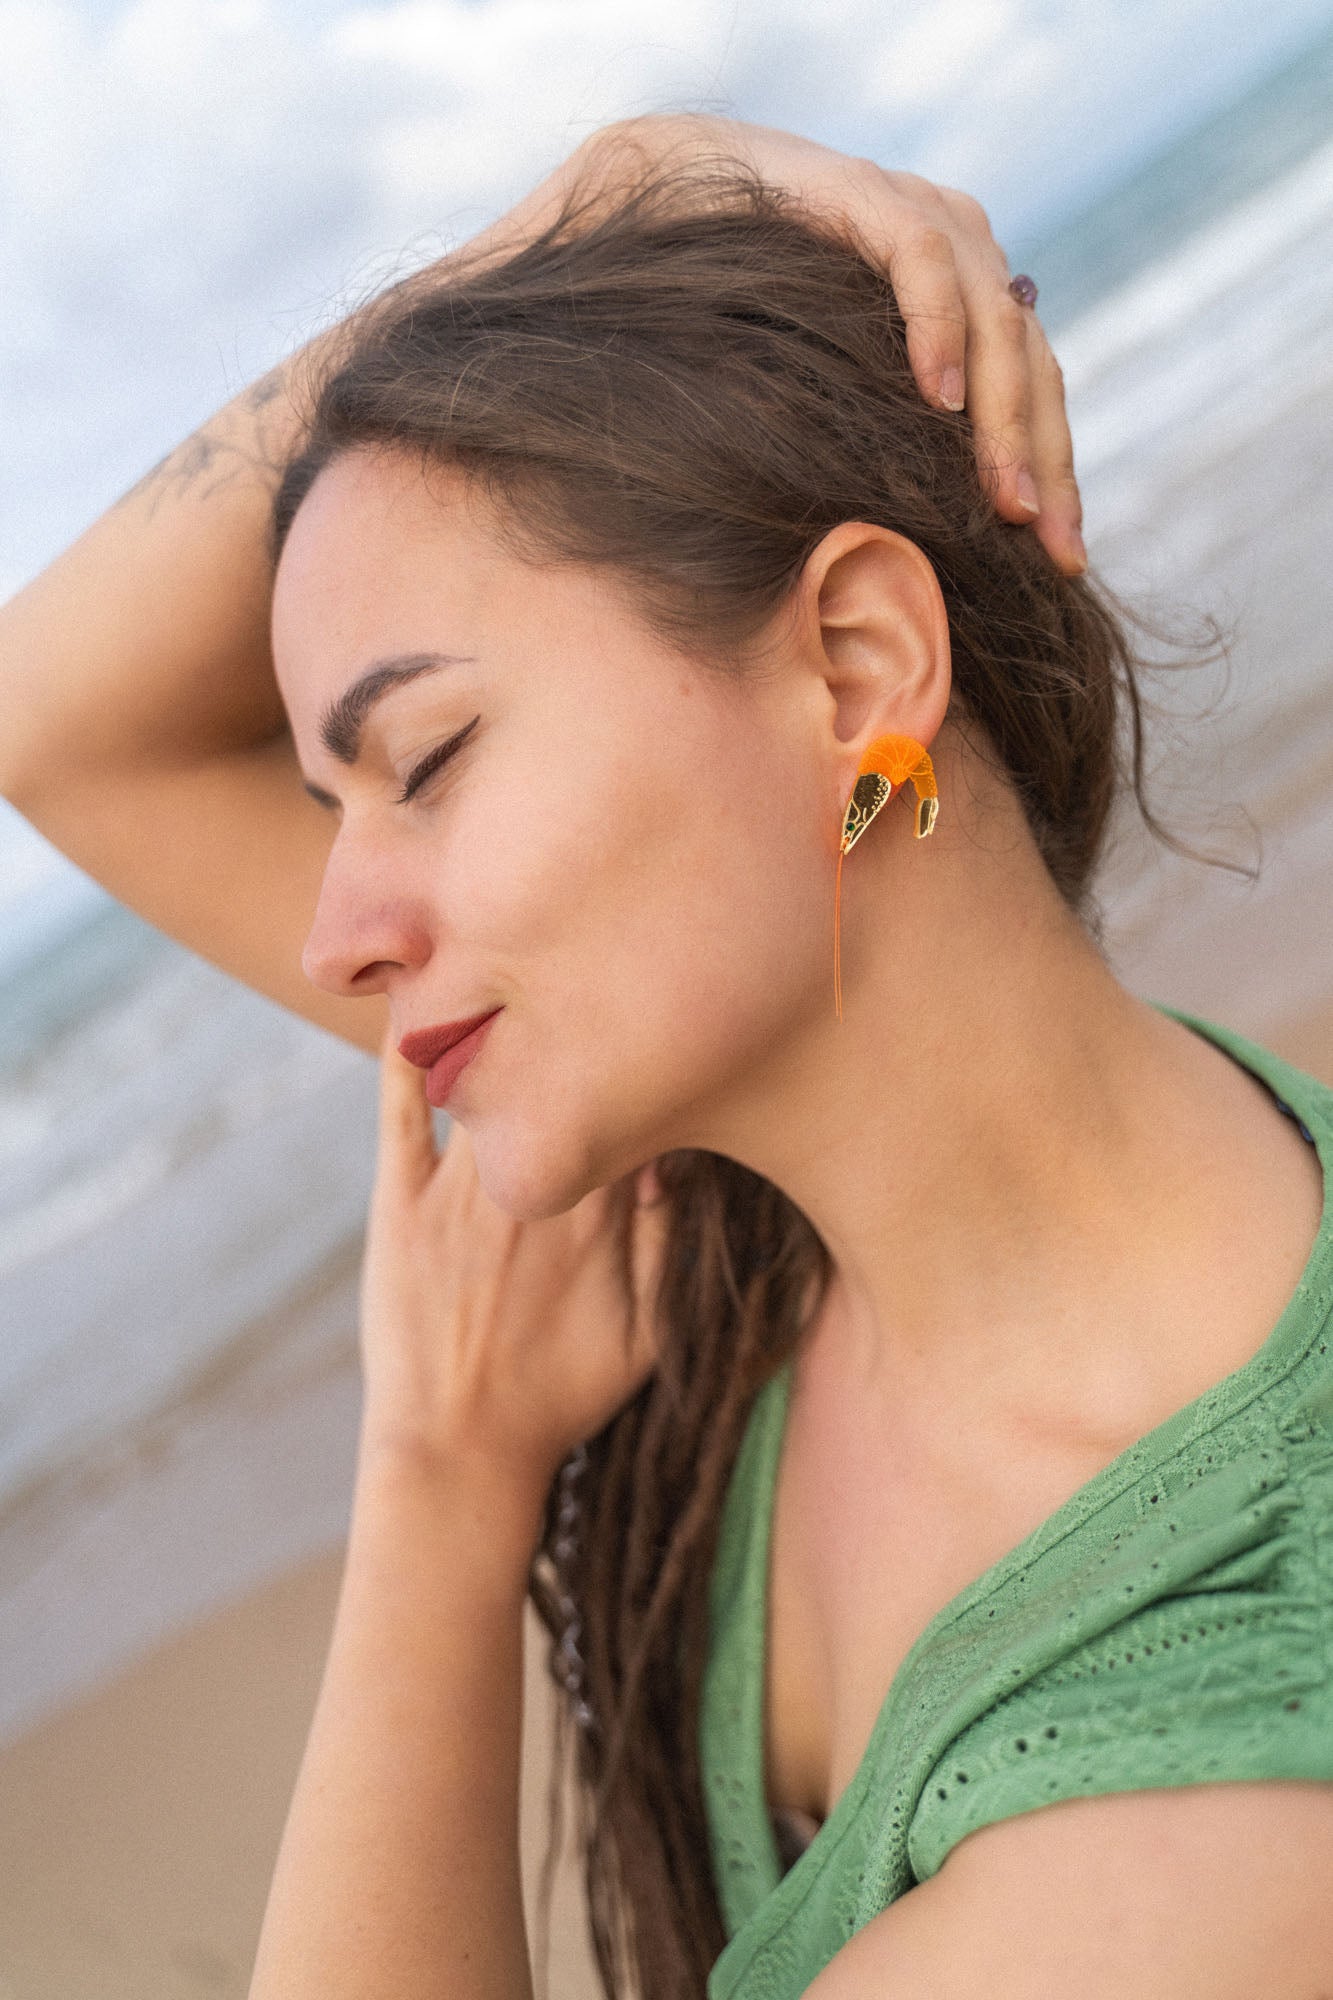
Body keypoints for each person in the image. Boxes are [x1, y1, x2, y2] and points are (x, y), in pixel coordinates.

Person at [3, 116, 1331, 2000]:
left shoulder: (1203, 1821)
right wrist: (599, 195)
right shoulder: (726, 1212)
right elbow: (55, 719)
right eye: (327, 803)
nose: (334, 928)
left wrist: (439, 1486)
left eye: (430, 763)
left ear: (859, 670)